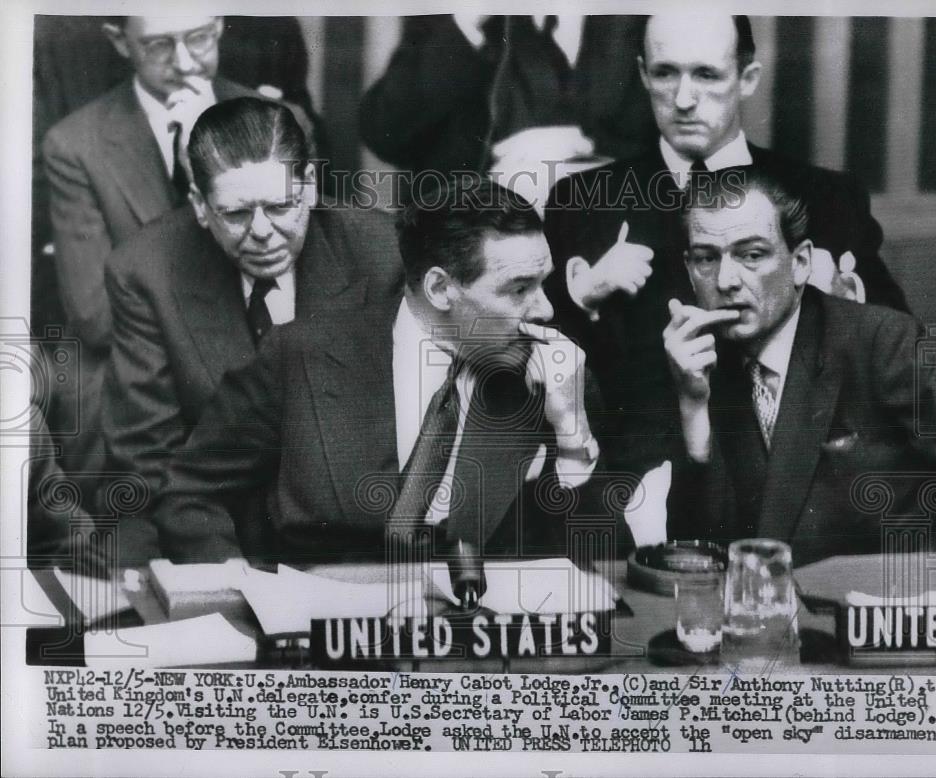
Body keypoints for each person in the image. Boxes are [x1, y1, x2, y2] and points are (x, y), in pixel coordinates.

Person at [542, 11, 909, 544]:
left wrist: (846, 308)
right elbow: (531, 359)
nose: (684, 98)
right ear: (643, 75)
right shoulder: (581, 202)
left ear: (748, 78)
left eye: (707, 75)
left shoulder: (826, 198)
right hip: (631, 508)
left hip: (794, 495)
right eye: (666, 74)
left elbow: (899, 346)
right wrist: (581, 294)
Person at [153, 181, 606, 565]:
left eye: (542, 281)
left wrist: (571, 436)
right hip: (321, 635)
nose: (545, 309)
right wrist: (235, 589)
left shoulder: (556, 373)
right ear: (440, 288)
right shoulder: (300, 356)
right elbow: (191, 494)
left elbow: (592, 560)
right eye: (520, 288)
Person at [102, 97, 401, 567]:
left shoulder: (382, 253)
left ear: (310, 188)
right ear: (201, 206)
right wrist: (229, 575)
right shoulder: (146, 271)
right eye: (236, 214)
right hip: (213, 534)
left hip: (346, 541)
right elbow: (150, 461)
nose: (263, 232)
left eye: (281, 206)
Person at [662, 167, 936, 565]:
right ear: (689, 269)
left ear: (801, 263)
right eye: (706, 259)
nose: (725, 280)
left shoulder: (883, 342)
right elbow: (692, 558)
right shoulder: (695, 364)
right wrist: (693, 410)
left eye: (752, 255)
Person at [41, 16, 255, 491]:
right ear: (120, 42)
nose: (183, 62)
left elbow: (287, 287)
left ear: (219, 26)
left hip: (247, 351)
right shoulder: (76, 143)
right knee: (94, 397)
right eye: (159, 45)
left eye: (198, 37)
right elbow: (95, 314)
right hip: (131, 356)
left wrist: (208, 159)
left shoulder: (277, 121)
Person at [360, 15, 657, 191]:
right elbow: (385, 131)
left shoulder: (638, 17)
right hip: (473, 250)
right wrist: (466, 24)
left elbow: (673, 133)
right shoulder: (448, 16)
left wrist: (579, 145)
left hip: (608, 238)